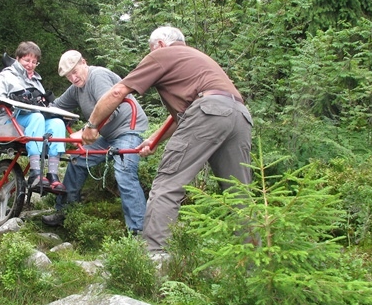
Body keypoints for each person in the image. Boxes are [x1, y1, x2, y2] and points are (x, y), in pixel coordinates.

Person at [81, 26, 253, 253]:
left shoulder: (163, 54)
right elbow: (187, 111)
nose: (150, 54)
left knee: (167, 185)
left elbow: (117, 92)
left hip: (208, 111)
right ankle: (253, 262)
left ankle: (154, 257)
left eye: (150, 49)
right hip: (240, 114)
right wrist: (153, 140)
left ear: (160, 45)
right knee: (240, 194)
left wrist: (92, 126)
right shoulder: (197, 58)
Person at [41, 50, 148, 234]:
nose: (73, 78)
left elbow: (111, 109)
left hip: (127, 129)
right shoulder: (76, 87)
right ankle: (65, 212)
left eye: (75, 72)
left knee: (124, 172)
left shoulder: (97, 76)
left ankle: (140, 231)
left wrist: (84, 131)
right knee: (77, 161)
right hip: (107, 135)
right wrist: (34, 109)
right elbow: (57, 107)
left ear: (84, 62)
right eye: (68, 76)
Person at [0, 41, 67, 191]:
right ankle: (35, 173)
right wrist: (16, 100)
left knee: (57, 123)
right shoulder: (6, 76)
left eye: (34, 62)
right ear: (17, 58)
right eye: (26, 60)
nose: (30, 65)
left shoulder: (36, 82)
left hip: (30, 120)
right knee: (36, 118)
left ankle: (53, 175)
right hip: (6, 119)